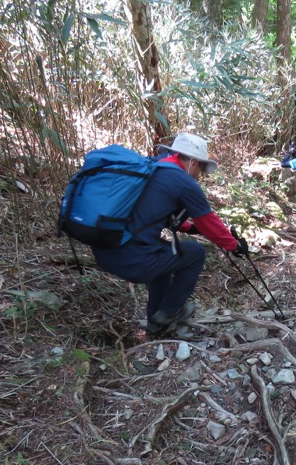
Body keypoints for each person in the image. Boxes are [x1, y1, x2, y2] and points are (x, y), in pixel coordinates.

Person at [92, 132, 248, 335]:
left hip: (106, 250)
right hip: (131, 259)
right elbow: (209, 221)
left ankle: (156, 324)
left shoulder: (154, 169)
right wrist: (233, 245)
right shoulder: (182, 180)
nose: (200, 175)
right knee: (195, 252)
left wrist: (189, 228)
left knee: (164, 256)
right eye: (201, 168)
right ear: (193, 161)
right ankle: (170, 311)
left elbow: (151, 213)